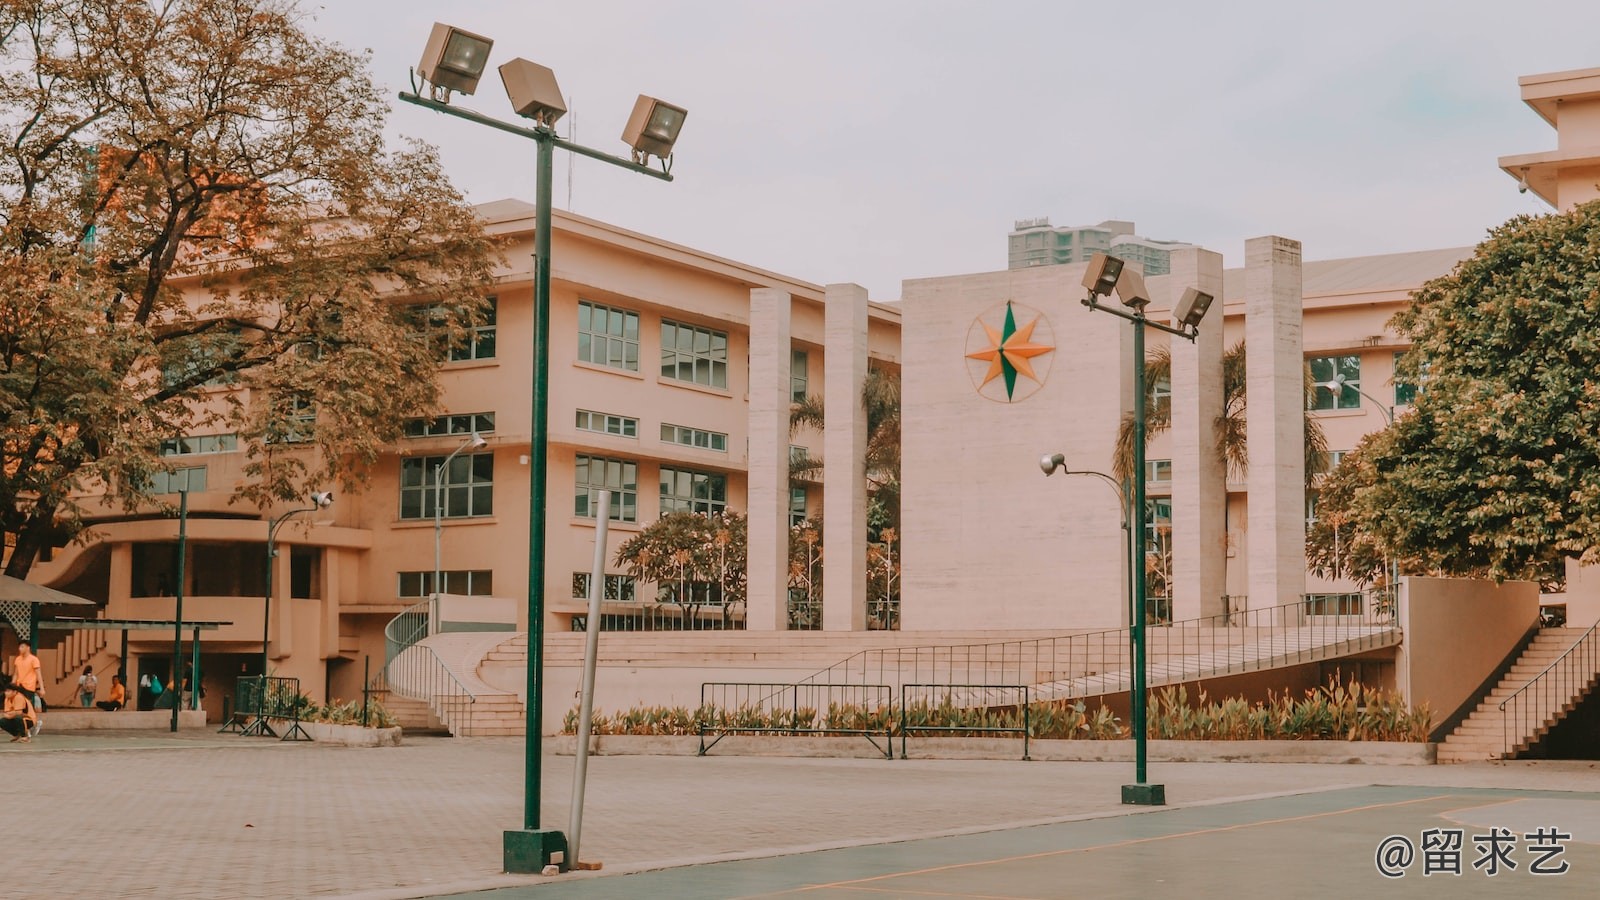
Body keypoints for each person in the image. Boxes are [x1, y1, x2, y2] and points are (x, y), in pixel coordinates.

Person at [10, 641, 42, 712]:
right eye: (19, 647)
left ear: (28, 648)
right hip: (19, 685)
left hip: (29, 686)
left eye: (22, 647)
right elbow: (16, 673)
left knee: (27, 706)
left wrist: (42, 688)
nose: (20, 649)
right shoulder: (18, 659)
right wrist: (12, 685)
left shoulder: (34, 659)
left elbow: (38, 674)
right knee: (18, 705)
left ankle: (30, 721)